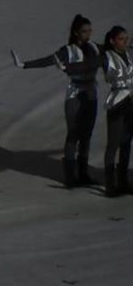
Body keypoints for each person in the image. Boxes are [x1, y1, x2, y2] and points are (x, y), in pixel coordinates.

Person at [12, 14, 103, 187]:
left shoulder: (94, 47)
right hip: (75, 94)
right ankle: (70, 177)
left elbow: (114, 49)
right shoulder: (68, 51)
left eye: (90, 30)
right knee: (73, 134)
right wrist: (24, 65)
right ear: (76, 33)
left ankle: (83, 174)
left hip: (91, 94)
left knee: (87, 135)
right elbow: (47, 60)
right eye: (85, 31)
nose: (88, 34)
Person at [101, 25, 132, 197]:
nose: (125, 42)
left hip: (130, 102)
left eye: (126, 39)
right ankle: (109, 185)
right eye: (121, 39)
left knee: (126, 142)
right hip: (117, 102)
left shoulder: (129, 54)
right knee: (113, 143)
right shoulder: (107, 56)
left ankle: (123, 181)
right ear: (112, 41)